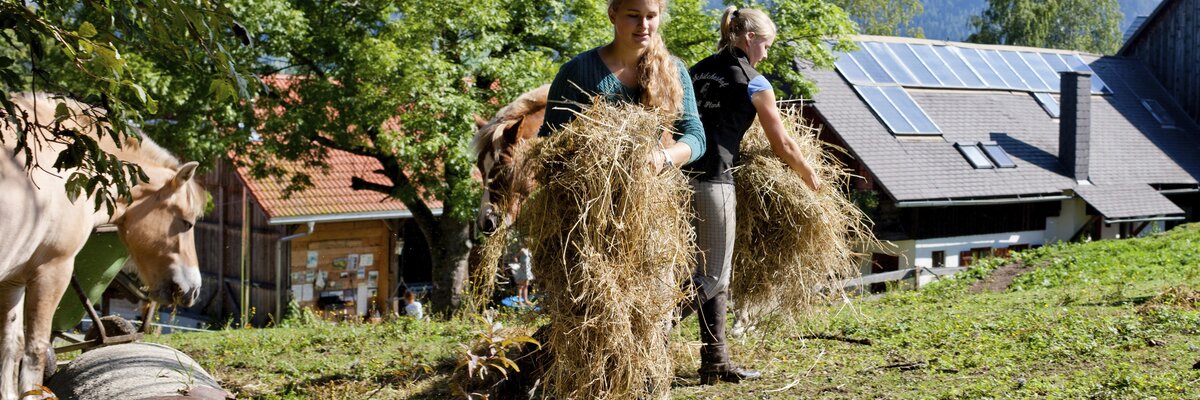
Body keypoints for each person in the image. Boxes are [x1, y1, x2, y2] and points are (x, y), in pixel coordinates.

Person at [684, 6, 821, 385]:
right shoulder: (754, 81)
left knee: (697, 272)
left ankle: (715, 360)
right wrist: (808, 173)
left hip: (677, 179)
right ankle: (645, 333)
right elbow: (783, 143)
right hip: (714, 182)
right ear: (748, 39)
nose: (766, 53)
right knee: (713, 277)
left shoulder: (696, 71)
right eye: (765, 45)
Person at [539, 0, 706, 172]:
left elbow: (695, 136)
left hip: (644, 190)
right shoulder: (577, 71)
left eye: (651, 16)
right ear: (613, 15)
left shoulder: (673, 70)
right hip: (585, 193)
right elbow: (549, 145)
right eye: (633, 16)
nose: (643, 25)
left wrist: (664, 157)